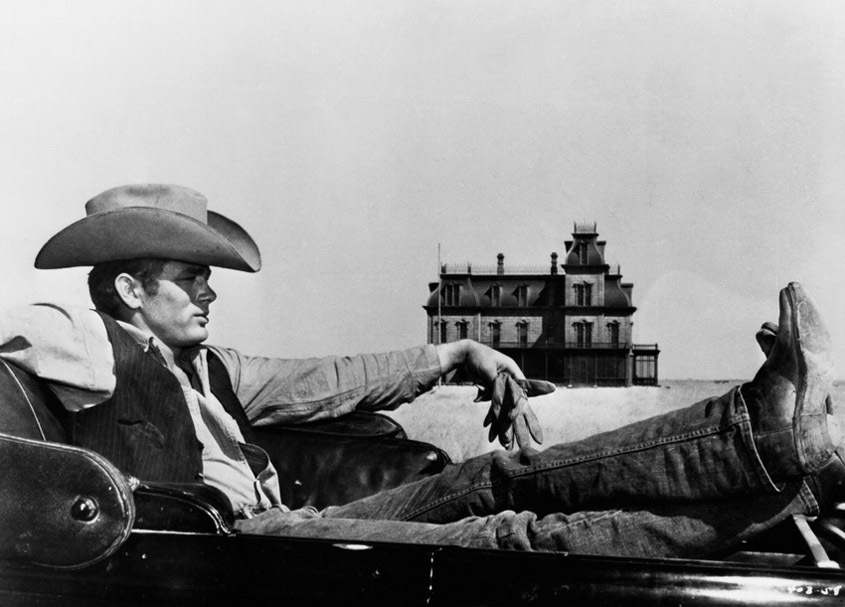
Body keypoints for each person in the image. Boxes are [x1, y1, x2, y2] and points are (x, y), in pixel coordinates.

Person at [5, 183, 842, 559]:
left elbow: (333, 376)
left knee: (499, 476)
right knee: (505, 536)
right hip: (243, 546)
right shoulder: (83, 342)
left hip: (293, 521)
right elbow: (23, 339)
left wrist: (454, 353)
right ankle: (771, 478)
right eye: (189, 278)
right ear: (129, 287)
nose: (208, 291)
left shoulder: (213, 367)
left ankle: (761, 443)